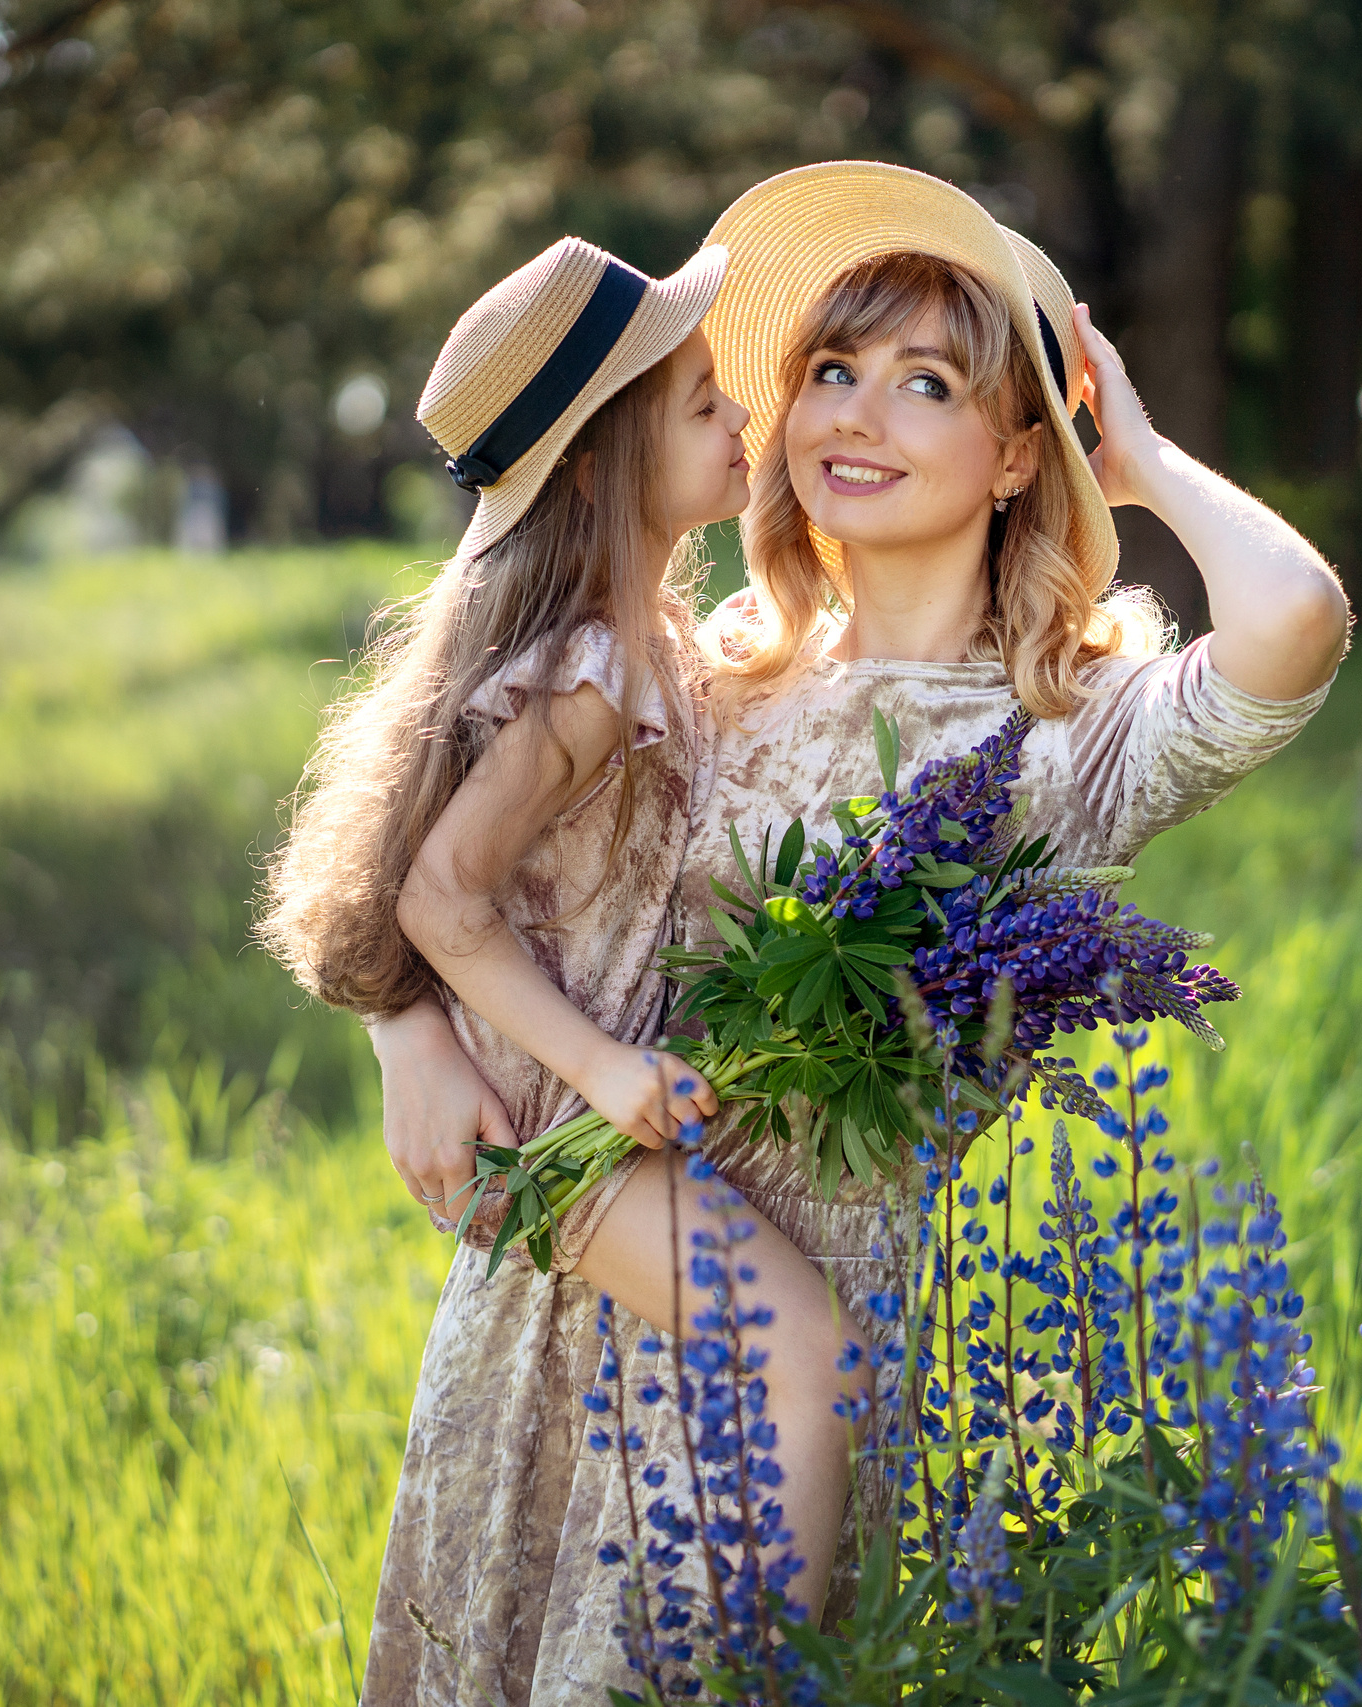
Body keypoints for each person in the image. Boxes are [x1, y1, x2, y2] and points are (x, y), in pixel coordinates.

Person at [363, 161, 1352, 1705]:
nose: (854, 415)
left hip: (807, 1341)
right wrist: (405, 1036)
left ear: (1018, 453)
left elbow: (1294, 620)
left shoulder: (1057, 744)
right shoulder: (699, 680)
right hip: (584, 1283)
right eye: (830, 370)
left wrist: (1142, 462)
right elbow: (437, 860)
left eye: (926, 384)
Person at [255, 236, 866, 1705]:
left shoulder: (630, 640)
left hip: (562, 1112)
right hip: (552, 1126)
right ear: (599, 466)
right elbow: (438, 895)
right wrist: (598, 1067)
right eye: (703, 403)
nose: (745, 422)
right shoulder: (590, 672)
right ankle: (763, 1676)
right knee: (807, 1350)